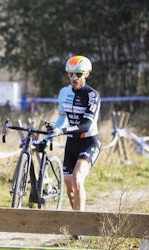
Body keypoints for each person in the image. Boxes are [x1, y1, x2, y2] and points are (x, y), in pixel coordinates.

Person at [48, 55, 101, 220]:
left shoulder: (92, 95)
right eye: (70, 74)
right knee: (69, 188)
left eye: (78, 74)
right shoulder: (64, 93)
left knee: (78, 178)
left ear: (87, 74)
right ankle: (75, 223)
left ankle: (81, 225)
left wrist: (62, 131)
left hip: (88, 142)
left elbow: (85, 125)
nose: (73, 78)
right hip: (71, 143)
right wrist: (53, 132)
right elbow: (62, 118)